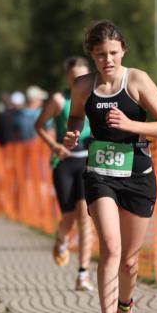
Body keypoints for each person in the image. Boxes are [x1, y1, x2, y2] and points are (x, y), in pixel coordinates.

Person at [62, 20, 157, 313]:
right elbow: (76, 118)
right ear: (92, 56)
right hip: (100, 174)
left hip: (138, 173)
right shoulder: (83, 86)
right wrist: (72, 132)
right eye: (100, 55)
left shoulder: (137, 80)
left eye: (112, 53)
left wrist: (131, 124)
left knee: (129, 261)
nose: (107, 60)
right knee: (110, 248)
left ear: (122, 50)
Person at [36, 56, 95, 292]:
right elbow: (38, 125)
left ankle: (83, 275)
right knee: (69, 217)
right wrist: (54, 145)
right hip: (65, 161)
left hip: (88, 159)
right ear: (67, 78)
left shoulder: (95, 96)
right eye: (73, 78)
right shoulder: (59, 100)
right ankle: (61, 238)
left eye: (82, 77)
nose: (78, 81)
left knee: (85, 216)